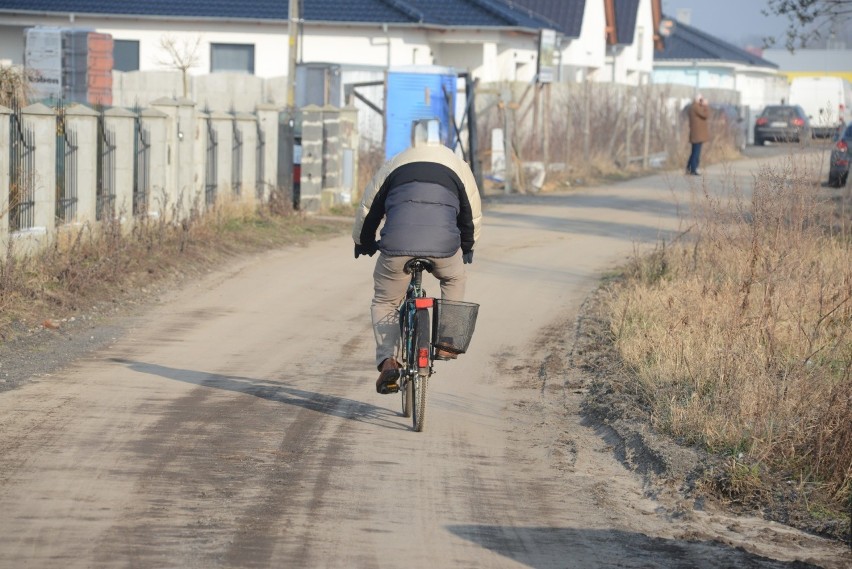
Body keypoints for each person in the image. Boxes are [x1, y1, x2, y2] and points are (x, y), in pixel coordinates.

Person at [352, 119, 482, 394]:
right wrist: (468, 245)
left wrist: (363, 241)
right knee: (454, 278)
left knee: (386, 301)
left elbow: (369, 208)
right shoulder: (457, 164)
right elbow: (472, 211)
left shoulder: (395, 162)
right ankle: (447, 342)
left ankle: (389, 361)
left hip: (397, 245)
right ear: (441, 138)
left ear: (414, 140)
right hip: (444, 246)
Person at [686, 94, 710, 175]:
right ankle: (693, 169)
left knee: (694, 152)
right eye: (701, 99)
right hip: (697, 134)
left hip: (696, 134)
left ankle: (689, 168)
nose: (702, 101)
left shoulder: (693, 107)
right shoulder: (696, 107)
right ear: (698, 100)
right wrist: (705, 106)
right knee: (696, 152)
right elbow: (705, 115)